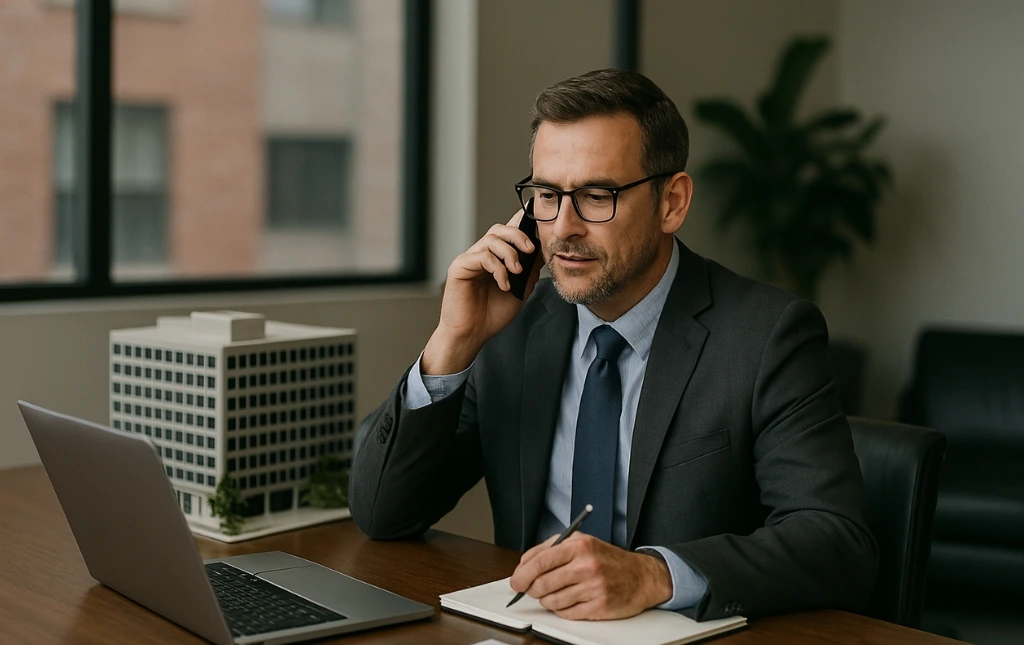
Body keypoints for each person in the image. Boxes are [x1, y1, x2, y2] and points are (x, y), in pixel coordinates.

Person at [349, 69, 877, 622]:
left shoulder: (768, 335)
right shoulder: (512, 331)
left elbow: (838, 543)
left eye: (598, 195)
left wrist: (653, 574)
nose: (564, 228)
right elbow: (384, 514)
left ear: (672, 202)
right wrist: (453, 342)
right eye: (548, 195)